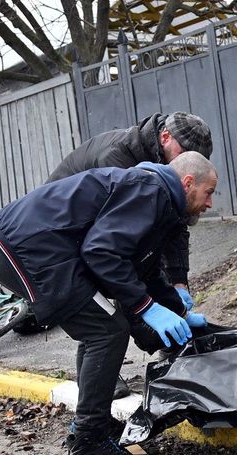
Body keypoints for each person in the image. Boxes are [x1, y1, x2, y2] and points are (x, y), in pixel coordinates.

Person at [0, 152, 218, 455]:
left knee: (100, 325)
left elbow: (145, 271)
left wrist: (176, 312)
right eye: (209, 193)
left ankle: (92, 425)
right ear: (188, 183)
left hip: (24, 244)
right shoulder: (148, 190)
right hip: (26, 248)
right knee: (105, 331)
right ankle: (88, 446)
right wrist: (147, 309)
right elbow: (102, 251)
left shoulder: (157, 197)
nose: (209, 204)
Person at [48, 111, 213, 398]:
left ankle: (172, 348)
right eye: (184, 153)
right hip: (64, 227)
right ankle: (100, 380)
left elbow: (174, 228)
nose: (186, 162)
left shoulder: (169, 171)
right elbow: (116, 248)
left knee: (139, 285)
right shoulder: (121, 159)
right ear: (165, 138)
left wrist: (178, 284)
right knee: (98, 308)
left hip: (101, 231)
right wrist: (149, 309)